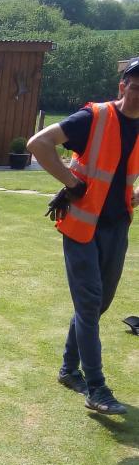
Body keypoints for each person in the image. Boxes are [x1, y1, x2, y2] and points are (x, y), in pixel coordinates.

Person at [27, 57, 139, 415]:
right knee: (90, 303)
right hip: (80, 224)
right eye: (136, 86)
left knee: (98, 304)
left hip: (116, 226)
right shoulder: (95, 117)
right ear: (122, 86)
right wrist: (72, 183)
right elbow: (39, 143)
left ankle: (67, 370)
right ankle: (97, 388)